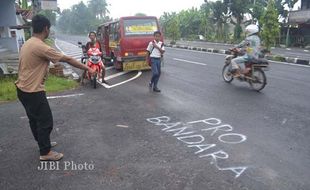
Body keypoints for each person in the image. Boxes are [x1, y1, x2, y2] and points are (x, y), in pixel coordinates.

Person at [15, 15, 96, 161]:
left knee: (34, 120)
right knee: (46, 121)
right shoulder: (41, 46)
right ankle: (45, 153)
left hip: (22, 89)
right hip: (33, 91)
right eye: (49, 29)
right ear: (46, 29)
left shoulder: (28, 43)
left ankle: (42, 143)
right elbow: (68, 59)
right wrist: (88, 69)